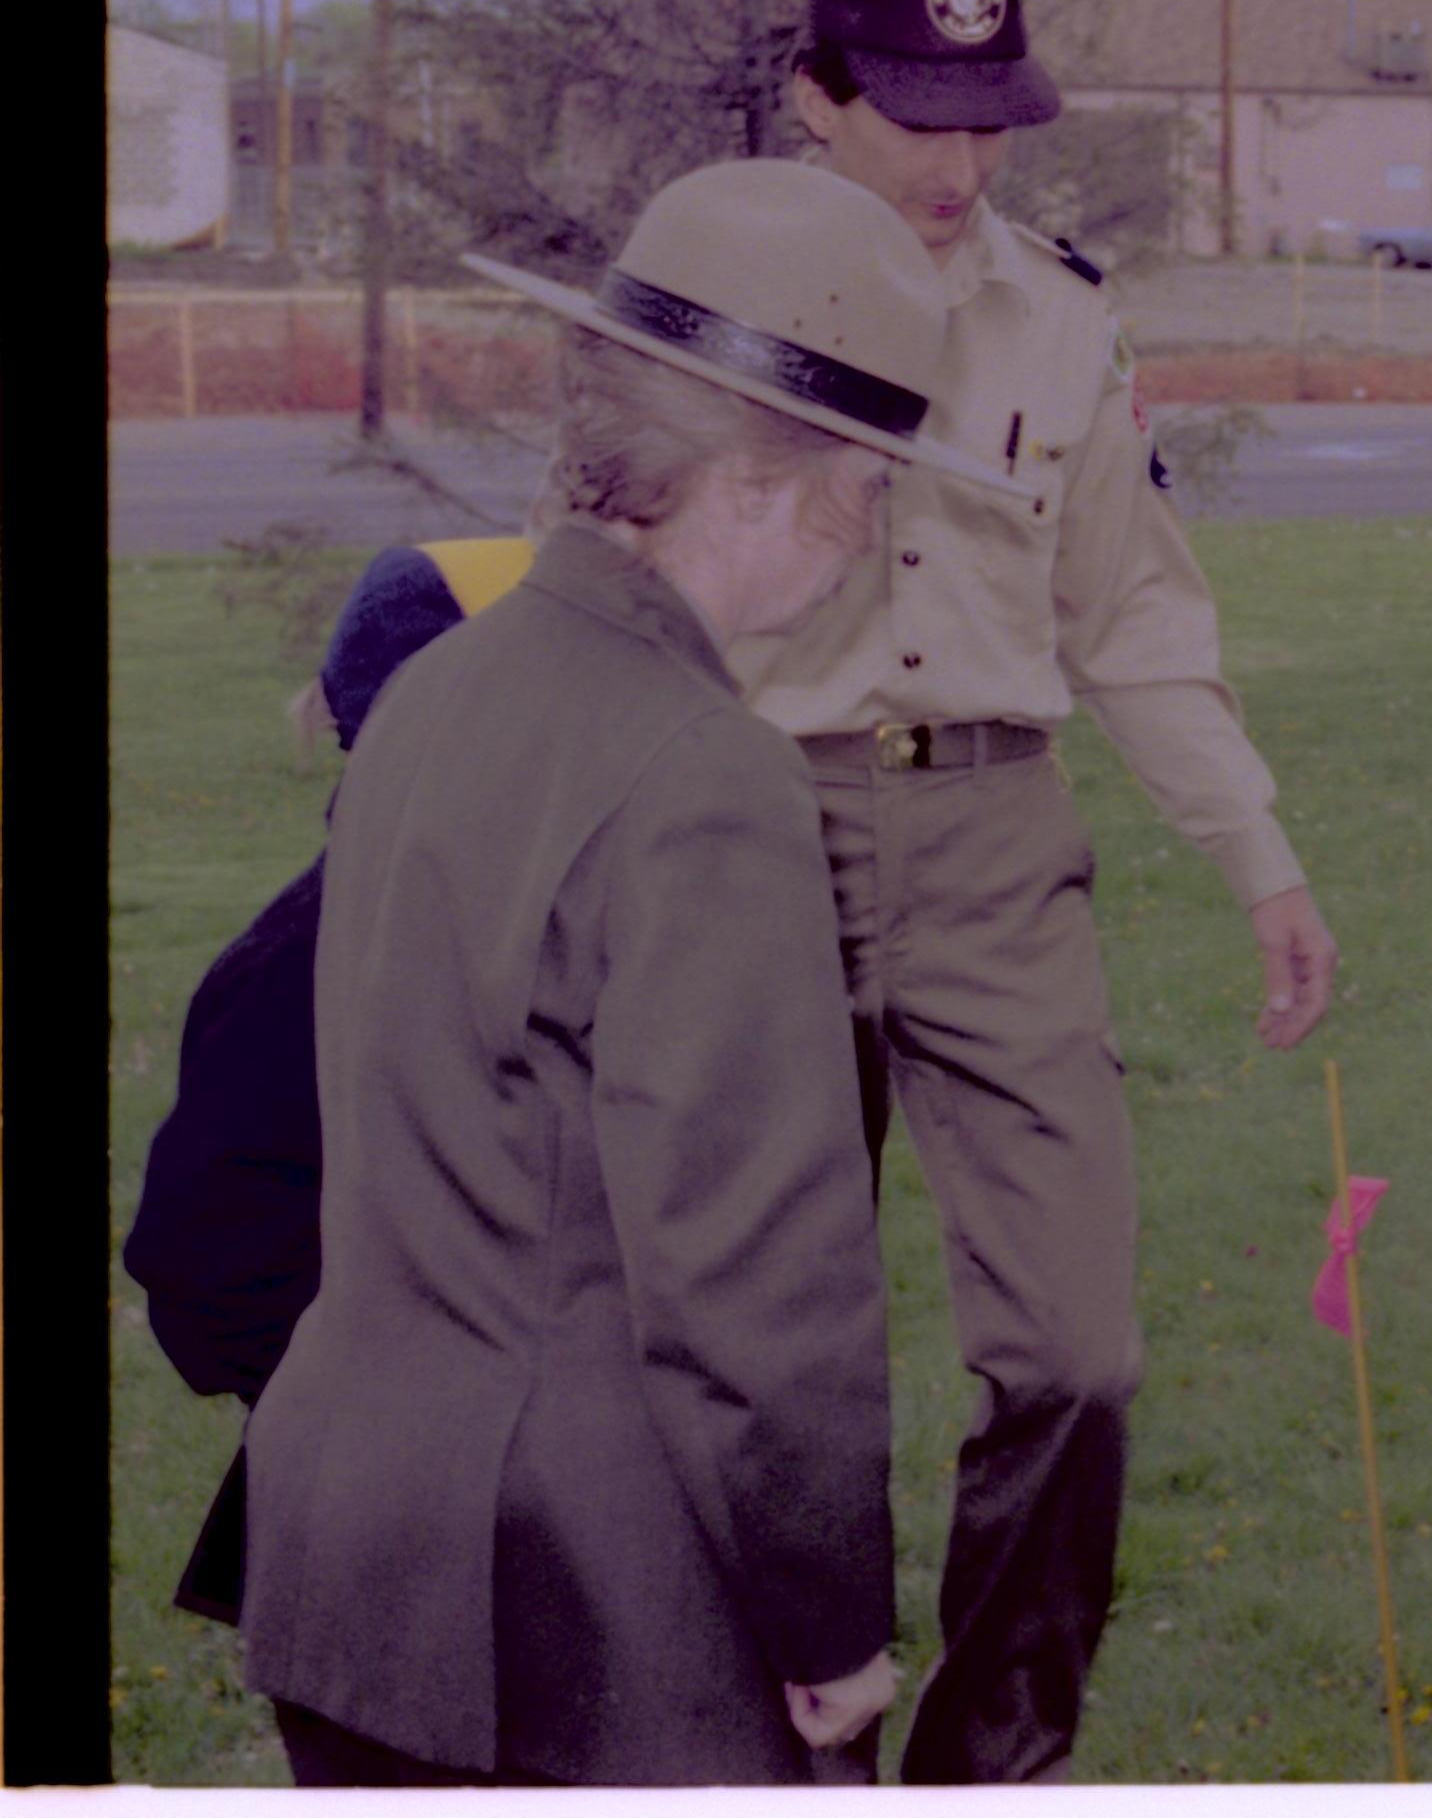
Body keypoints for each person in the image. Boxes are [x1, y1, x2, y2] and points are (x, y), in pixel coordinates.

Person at [241, 157, 1012, 1784]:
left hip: (345, 1566)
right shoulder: (702, 773)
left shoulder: (433, 690)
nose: (872, 535)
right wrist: (833, 1633)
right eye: (869, 483)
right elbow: (758, 1285)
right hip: (586, 1622)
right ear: (758, 478)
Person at [745, 0, 1338, 1783]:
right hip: (749, 839)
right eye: (916, 112)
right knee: (765, 1348)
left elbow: (1137, 618)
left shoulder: (1064, 321)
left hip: (996, 839)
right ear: (812, 98)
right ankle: (774, 1724)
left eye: (990, 113)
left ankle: (996, 1753)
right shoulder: (709, 297)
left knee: (1080, 1354)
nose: (960, 158)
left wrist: (1259, 860)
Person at [123, 537, 533, 1630]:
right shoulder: (304, 961)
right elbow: (202, 1262)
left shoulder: (524, 917)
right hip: (387, 1522)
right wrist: (374, 1404)